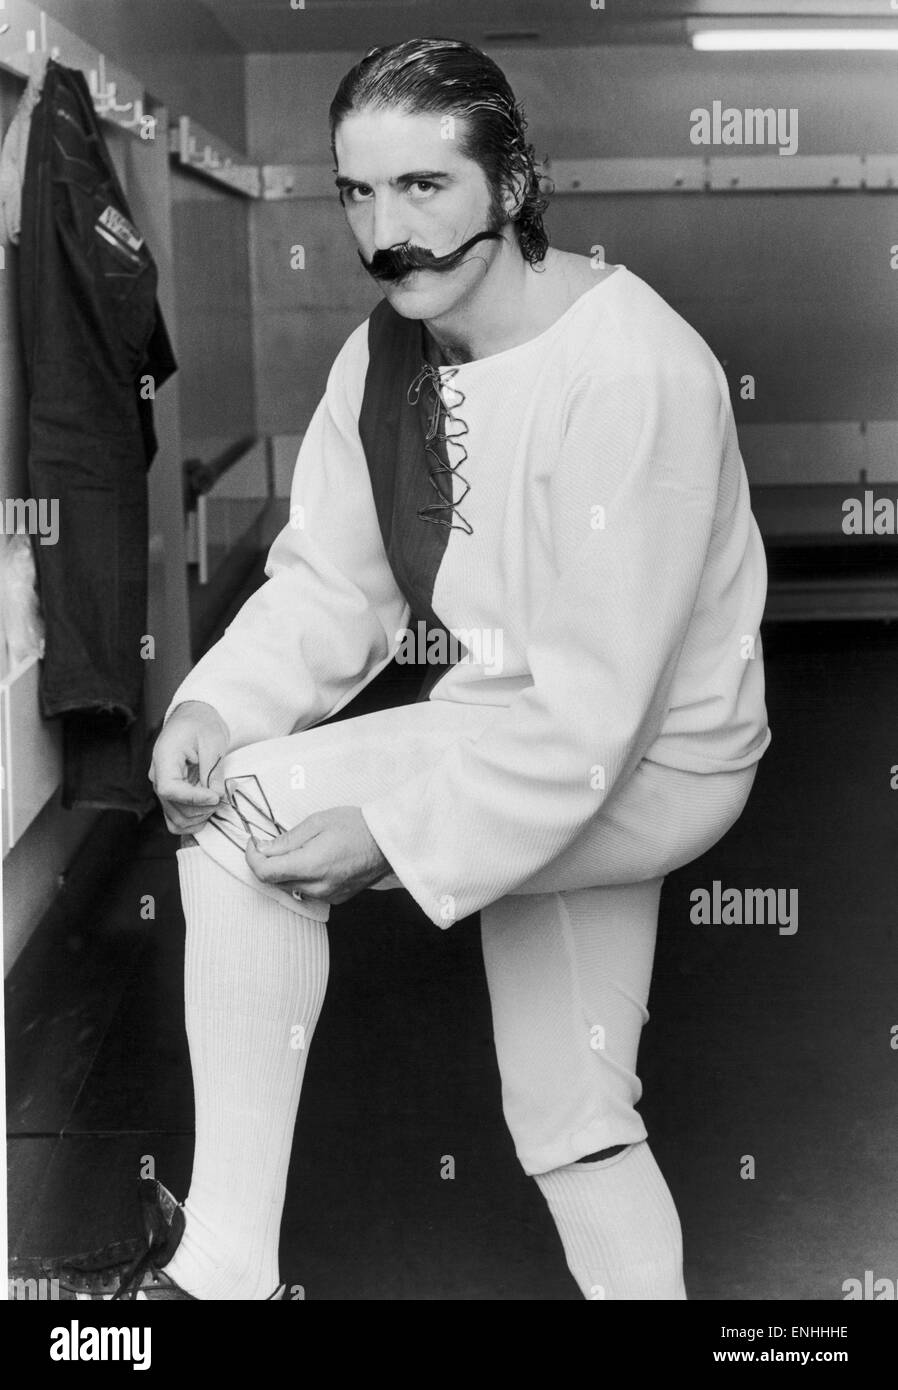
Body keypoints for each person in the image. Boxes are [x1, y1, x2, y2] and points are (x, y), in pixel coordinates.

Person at [24, 36, 770, 1301]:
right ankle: (228, 1274)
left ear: (514, 184)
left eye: (423, 188)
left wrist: (393, 831)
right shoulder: (382, 357)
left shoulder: (634, 368)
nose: (385, 232)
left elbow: (598, 714)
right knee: (572, 1113)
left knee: (272, 837)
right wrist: (215, 699)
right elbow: (332, 579)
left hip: (655, 759)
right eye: (357, 194)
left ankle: (218, 1279)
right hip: (506, 729)